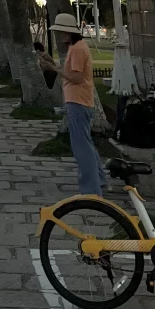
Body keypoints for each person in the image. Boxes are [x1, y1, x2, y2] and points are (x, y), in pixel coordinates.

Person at [51, 12, 106, 196]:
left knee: (81, 147)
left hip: (78, 101)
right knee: (86, 143)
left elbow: (76, 77)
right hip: (79, 101)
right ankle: (100, 179)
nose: (60, 36)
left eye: (62, 32)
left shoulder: (77, 49)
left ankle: (91, 188)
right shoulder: (78, 48)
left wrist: (56, 70)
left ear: (69, 33)